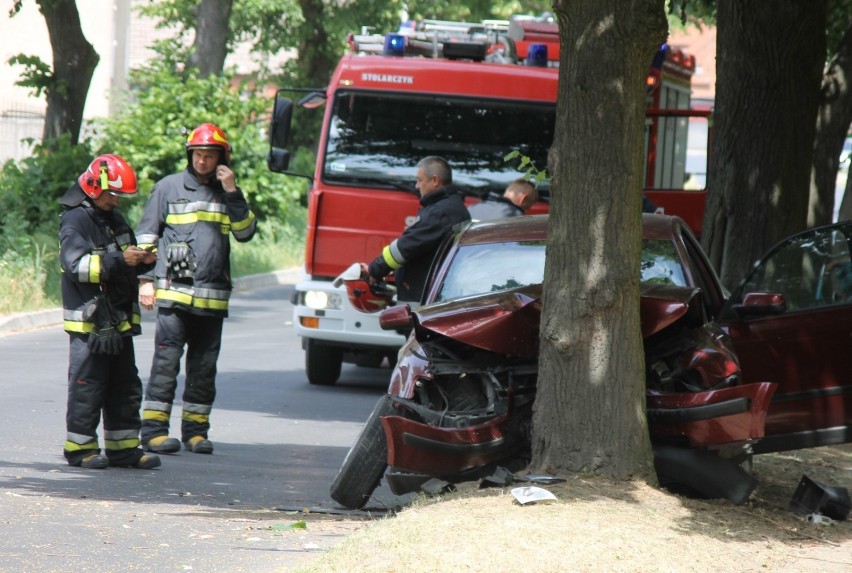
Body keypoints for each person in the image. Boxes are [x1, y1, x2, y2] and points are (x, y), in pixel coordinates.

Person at [136, 122, 257, 455]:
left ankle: (195, 433)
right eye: (198, 155)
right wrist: (146, 281)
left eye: (209, 155)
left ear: (222, 158)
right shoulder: (167, 187)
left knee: (204, 369)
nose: (202, 161)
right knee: (166, 364)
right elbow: (147, 236)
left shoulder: (227, 192)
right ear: (190, 155)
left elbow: (245, 232)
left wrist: (233, 191)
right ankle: (154, 432)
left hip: (212, 298)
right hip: (175, 295)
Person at [59, 154, 161, 470]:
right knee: (89, 385)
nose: (116, 200)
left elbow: (124, 261)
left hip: (118, 320)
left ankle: (124, 449)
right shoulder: (76, 220)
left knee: (125, 386)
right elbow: (76, 266)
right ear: (94, 186)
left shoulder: (115, 219)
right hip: (91, 322)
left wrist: (145, 261)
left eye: (119, 195)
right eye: (112, 194)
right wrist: (121, 261)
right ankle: (81, 449)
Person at [363, 156, 470, 303]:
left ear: (435, 180)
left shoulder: (438, 213)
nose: (416, 186)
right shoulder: (455, 207)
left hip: (421, 299)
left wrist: (374, 270)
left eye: (420, 180)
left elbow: (404, 248)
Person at [467, 178, 539, 221]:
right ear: (523, 199)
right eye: (527, 207)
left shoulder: (473, 207)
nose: (527, 209)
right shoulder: (516, 217)